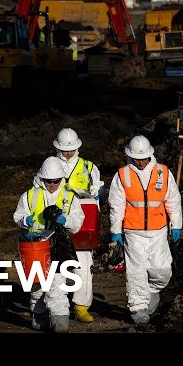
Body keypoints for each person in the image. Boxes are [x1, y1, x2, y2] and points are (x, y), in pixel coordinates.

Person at [108, 135, 182, 325]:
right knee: (136, 272)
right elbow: (116, 205)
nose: (140, 162)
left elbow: (173, 200)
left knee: (163, 270)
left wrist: (176, 224)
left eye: (143, 158)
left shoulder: (163, 173)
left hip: (158, 231)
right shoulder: (123, 175)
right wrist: (116, 231)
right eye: (136, 158)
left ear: (150, 155)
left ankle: (151, 291)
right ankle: (138, 307)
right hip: (133, 232)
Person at [13, 156, 85, 333]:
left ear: (61, 179)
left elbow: (77, 222)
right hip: (36, 246)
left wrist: (65, 220)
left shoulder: (70, 197)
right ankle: (39, 313)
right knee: (37, 285)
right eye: (48, 181)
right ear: (41, 178)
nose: (52, 184)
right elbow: (17, 216)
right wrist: (25, 220)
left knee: (57, 287)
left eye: (55, 181)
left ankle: (60, 321)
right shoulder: (29, 196)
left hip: (58, 247)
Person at [52, 127, 104, 323]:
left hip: (82, 220)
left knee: (83, 264)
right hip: (55, 221)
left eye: (71, 149)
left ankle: (81, 306)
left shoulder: (89, 168)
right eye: (65, 149)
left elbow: (97, 192)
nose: (68, 152)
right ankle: (54, 304)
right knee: (55, 266)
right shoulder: (50, 165)